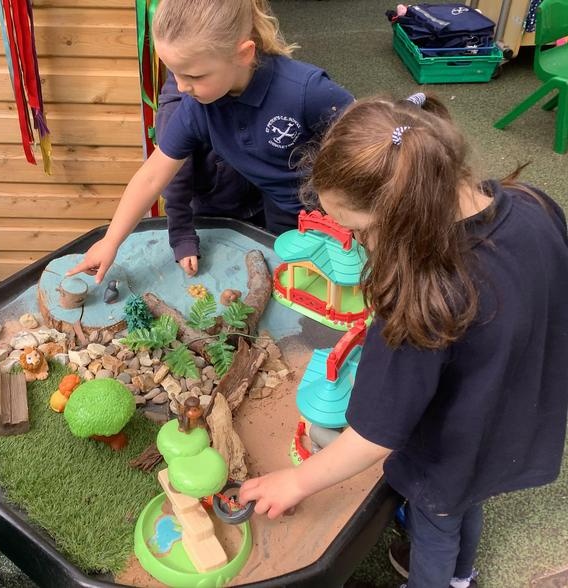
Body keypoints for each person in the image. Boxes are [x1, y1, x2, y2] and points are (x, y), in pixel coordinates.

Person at [239, 94, 568, 588]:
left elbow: (375, 434)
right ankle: (462, 577)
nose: (360, 244)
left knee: (436, 521)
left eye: (360, 232)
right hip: (512, 414)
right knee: (463, 501)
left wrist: (297, 480)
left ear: (401, 216)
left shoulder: (423, 298)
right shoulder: (534, 204)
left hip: (451, 447)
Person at [67, 0, 353, 282]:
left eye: (193, 75)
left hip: (342, 211)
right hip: (281, 212)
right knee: (296, 285)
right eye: (174, 73)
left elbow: (369, 141)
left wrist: (354, 217)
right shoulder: (196, 107)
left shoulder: (307, 90)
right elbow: (153, 176)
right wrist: (111, 241)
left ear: (244, 54)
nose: (181, 87)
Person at [156, 70, 264, 277]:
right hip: (212, 213)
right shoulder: (176, 110)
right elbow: (173, 182)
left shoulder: (243, 87)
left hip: (261, 204)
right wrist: (183, 238)